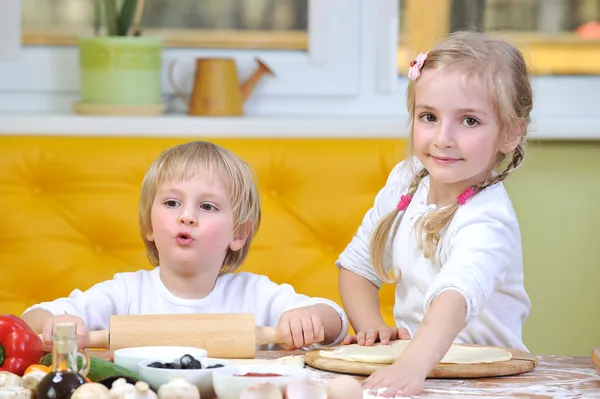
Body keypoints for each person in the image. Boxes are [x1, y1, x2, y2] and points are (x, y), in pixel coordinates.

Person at [337, 30, 533, 397]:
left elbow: (454, 297)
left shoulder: (488, 218)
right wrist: (373, 331)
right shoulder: (406, 180)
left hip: (488, 381)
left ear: (509, 133)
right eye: (429, 116)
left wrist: (413, 364)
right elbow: (356, 268)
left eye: (469, 121)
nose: (443, 137)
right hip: (420, 372)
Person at [22, 141, 348, 352]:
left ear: (238, 233)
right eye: (172, 202)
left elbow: (335, 321)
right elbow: (32, 319)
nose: (187, 216)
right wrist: (58, 322)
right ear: (149, 225)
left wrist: (306, 316)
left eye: (207, 207)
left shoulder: (255, 295)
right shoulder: (125, 293)